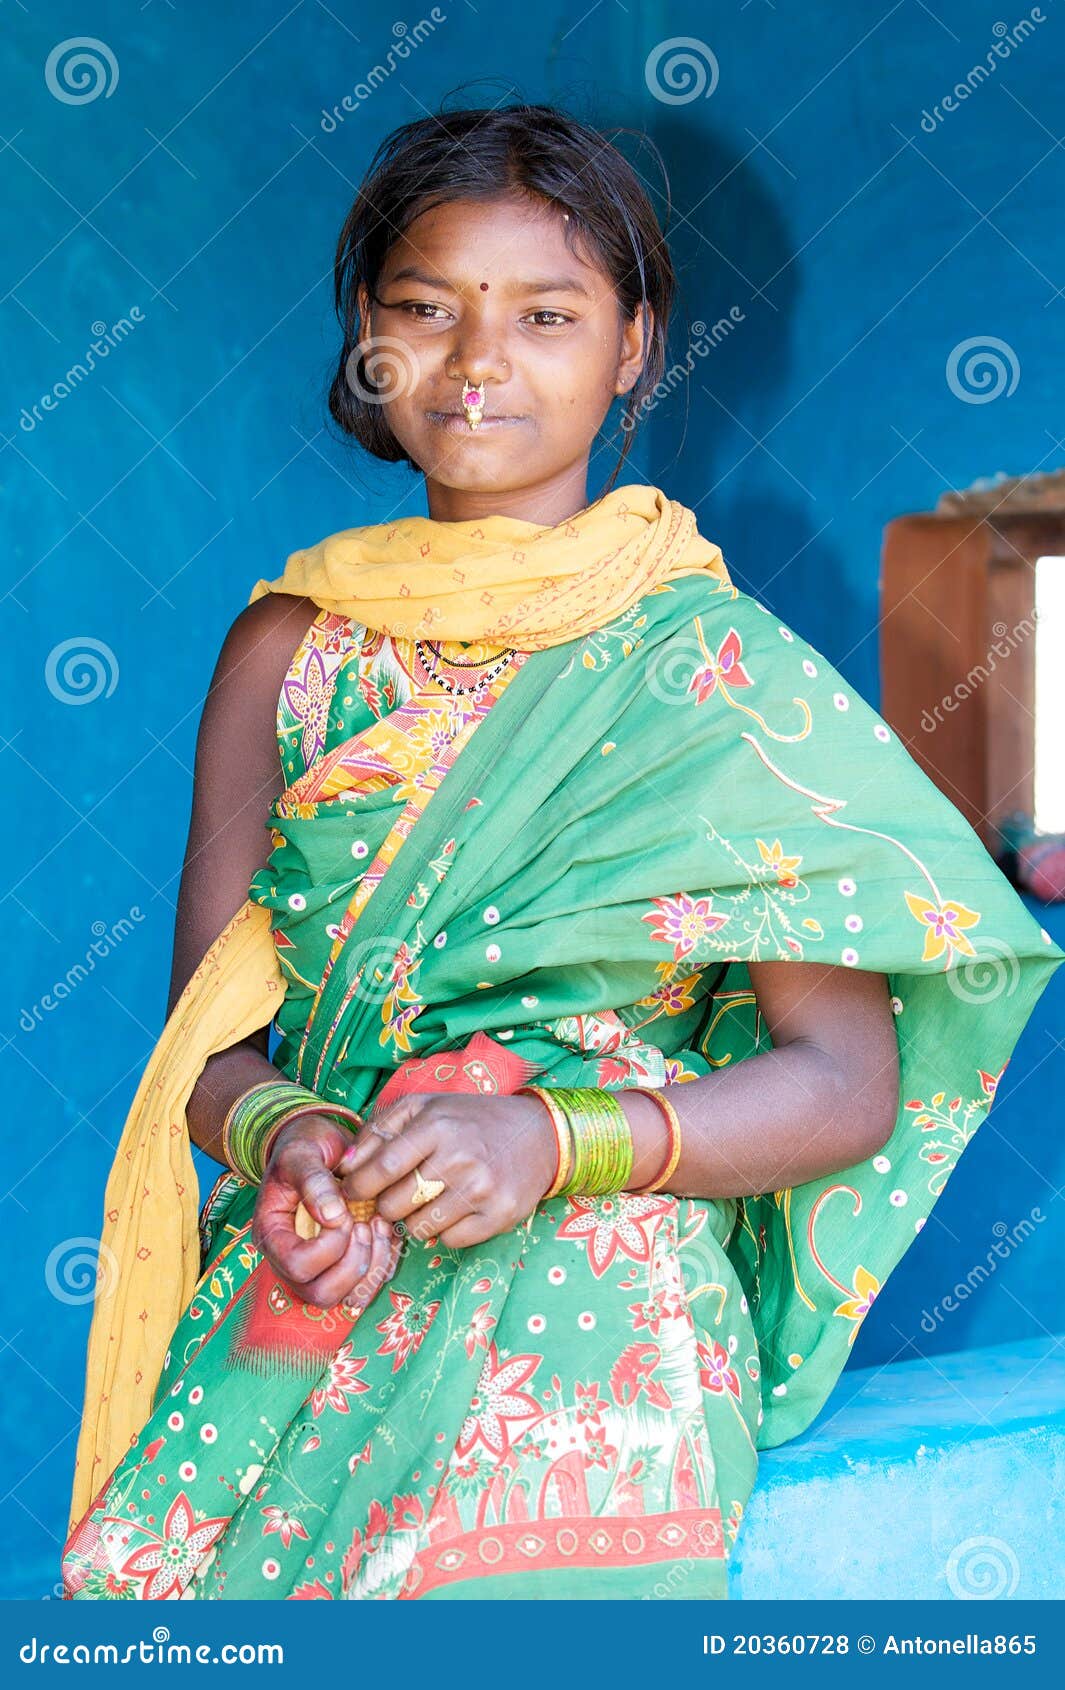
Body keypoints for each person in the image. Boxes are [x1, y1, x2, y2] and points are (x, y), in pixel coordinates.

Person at [62, 102, 1062, 1601]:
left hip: (600, 1284)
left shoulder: (709, 672)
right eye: (423, 308)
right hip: (326, 1271)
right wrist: (300, 1145)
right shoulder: (289, 651)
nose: (477, 361)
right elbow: (208, 1044)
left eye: (545, 315)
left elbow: (844, 1083)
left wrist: (548, 1141)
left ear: (634, 345)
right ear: (367, 340)